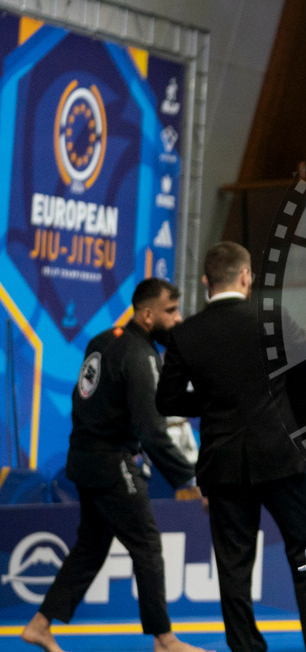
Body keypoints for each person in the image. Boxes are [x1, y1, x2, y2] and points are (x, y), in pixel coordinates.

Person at [156, 242, 306, 652]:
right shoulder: (269, 319)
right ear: (246, 276)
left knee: (233, 566)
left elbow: (166, 401)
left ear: (205, 283)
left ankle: (247, 649)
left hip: (223, 465)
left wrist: (213, 401)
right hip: (279, 456)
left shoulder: (184, 334)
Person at [21, 279, 208, 652]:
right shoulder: (141, 356)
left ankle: (40, 625)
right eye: (171, 311)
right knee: (147, 545)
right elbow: (152, 433)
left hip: (84, 457)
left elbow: (84, 398)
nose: (178, 319)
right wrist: (187, 479)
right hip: (109, 461)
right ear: (147, 314)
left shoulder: (104, 341)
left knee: (91, 546)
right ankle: (165, 639)